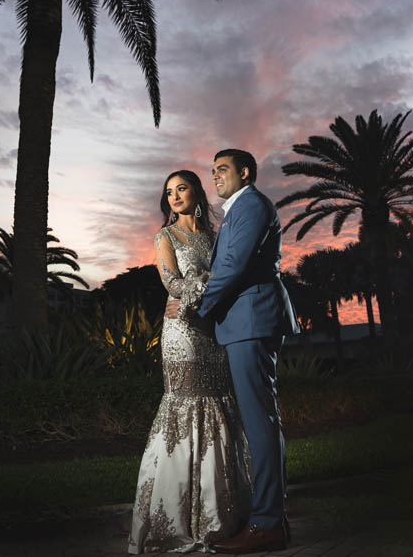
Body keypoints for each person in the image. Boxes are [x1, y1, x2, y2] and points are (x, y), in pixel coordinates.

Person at [166, 148, 299, 554]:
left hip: (253, 320)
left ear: (245, 172)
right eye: (213, 171)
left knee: (261, 423)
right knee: (258, 421)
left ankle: (267, 524)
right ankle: (265, 516)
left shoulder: (252, 205)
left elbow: (233, 266)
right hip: (243, 322)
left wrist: (197, 309)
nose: (216, 176)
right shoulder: (237, 210)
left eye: (222, 169)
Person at [128, 169, 252, 554]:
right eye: (169, 192)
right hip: (183, 336)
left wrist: (208, 288)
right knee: (184, 406)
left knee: (219, 405)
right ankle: (175, 519)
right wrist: (206, 285)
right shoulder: (164, 236)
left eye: (181, 188)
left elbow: (233, 277)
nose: (175, 196)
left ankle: (222, 515)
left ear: (197, 192)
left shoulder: (217, 238)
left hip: (215, 331)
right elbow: (171, 283)